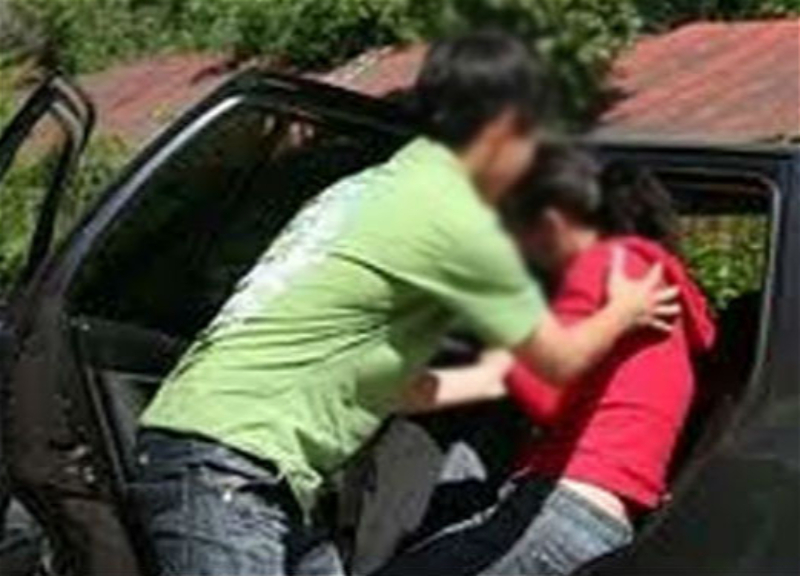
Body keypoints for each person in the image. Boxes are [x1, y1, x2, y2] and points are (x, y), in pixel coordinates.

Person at [133, 33, 678, 576]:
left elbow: (384, 386)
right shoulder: (457, 215)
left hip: (237, 455)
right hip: (230, 464)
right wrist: (624, 309)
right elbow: (557, 360)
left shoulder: (372, 186)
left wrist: (491, 379)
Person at [376, 144, 716, 576]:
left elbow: (545, 391)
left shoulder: (606, 262)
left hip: (561, 507)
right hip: (606, 521)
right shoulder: (664, 289)